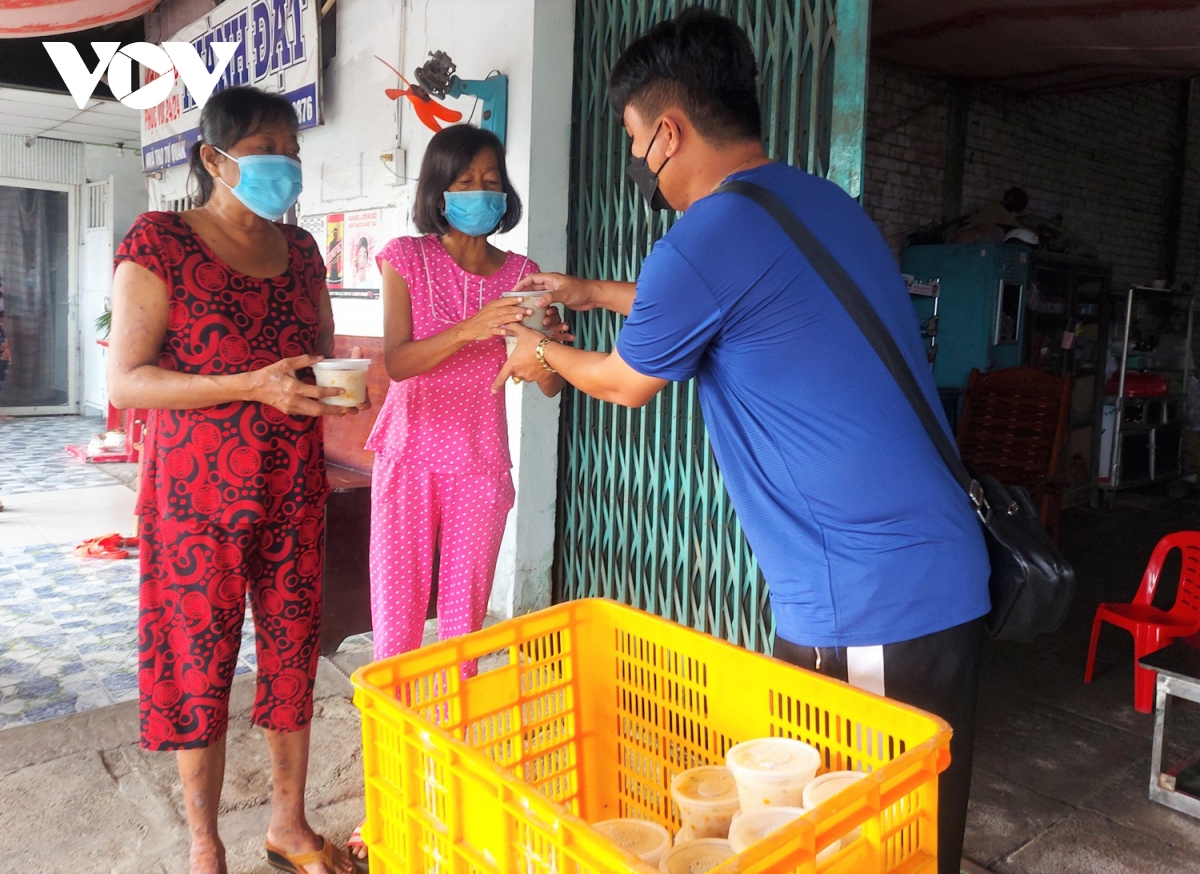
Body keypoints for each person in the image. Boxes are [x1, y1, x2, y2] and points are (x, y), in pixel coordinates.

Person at [497, 10, 990, 873]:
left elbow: (622, 382)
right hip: (930, 567)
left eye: (633, 138)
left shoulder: (705, 238)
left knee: (861, 845)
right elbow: (719, 299)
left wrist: (537, 353)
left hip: (865, 595)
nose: (636, 158)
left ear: (668, 132)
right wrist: (593, 292)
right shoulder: (815, 204)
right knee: (918, 828)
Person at [108, 85, 363, 874]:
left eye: (291, 149)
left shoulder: (303, 251)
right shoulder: (161, 241)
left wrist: (331, 387)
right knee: (198, 663)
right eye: (264, 149)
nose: (284, 163)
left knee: (292, 654)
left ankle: (289, 824)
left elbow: (317, 349)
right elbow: (127, 381)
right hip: (195, 498)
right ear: (214, 159)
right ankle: (204, 845)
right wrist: (250, 385)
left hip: (293, 488)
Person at [348, 124, 565, 861]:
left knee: (463, 636)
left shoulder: (524, 272)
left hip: (480, 463)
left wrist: (545, 352)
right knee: (397, 631)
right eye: (464, 182)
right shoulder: (405, 258)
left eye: (490, 181)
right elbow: (400, 362)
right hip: (409, 457)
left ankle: (444, 784)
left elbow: (549, 381)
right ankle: (385, 795)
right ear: (437, 191)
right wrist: (475, 326)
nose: (480, 193)